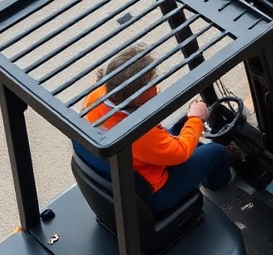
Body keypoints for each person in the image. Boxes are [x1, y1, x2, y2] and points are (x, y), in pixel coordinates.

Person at [83, 46, 234, 212]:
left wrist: (189, 122)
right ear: (139, 95)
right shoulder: (136, 133)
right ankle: (219, 184)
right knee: (217, 152)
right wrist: (196, 118)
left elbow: (155, 136)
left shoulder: (96, 96)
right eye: (152, 83)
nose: (156, 86)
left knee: (180, 127)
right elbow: (180, 153)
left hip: (132, 168)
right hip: (156, 192)